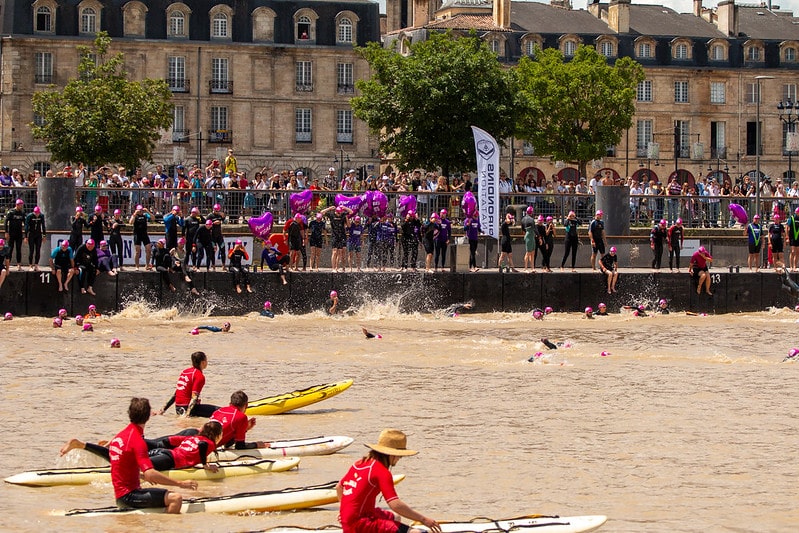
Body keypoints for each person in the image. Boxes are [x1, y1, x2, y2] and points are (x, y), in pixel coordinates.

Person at [336, 428, 441, 533]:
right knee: (417, 532)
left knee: (396, 517)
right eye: (400, 455)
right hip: (360, 523)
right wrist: (423, 519)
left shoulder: (360, 463)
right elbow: (395, 504)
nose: (400, 458)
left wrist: (343, 512)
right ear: (392, 454)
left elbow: (339, 487)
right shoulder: (382, 472)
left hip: (351, 518)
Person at [107, 398, 197, 513]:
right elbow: (150, 474)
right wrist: (181, 483)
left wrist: (140, 475)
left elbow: (121, 464)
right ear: (148, 416)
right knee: (176, 498)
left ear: (129, 414)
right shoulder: (137, 440)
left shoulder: (119, 436)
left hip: (120, 495)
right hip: (129, 496)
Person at [160, 351, 219, 418]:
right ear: (203, 362)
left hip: (178, 408)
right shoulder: (199, 376)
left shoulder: (185, 372)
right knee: (219, 411)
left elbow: (176, 394)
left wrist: (163, 410)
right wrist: (187, 414)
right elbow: (194, 397)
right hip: (189, 409)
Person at [4, 199, 26, 270]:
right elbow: (6, 222)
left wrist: (26, 234)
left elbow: (25, 223)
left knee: (18, 249)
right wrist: (6, 232)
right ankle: (8, 263)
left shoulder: (22, 213)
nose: (21, 206)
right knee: (10, 248)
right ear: (17, 205)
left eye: (22, 205)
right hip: (11, 233)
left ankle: (19, 264)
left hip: (19, 233)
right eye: (20, 205)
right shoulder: (11, 212)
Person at [129, 204, 152, 270]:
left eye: (141, 210)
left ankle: (147, 265)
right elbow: (130, 222)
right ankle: (137, 266)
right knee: (137, 251)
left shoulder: (145, 215)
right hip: (137, 234)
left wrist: (148, 211)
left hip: (144, 234)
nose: (140, 212)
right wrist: (135, 214)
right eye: (139, 210)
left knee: (148, 249)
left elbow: (153, 218)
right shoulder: (135, 216)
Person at [25, 205, 46, 271]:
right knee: (31, 250)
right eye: (36, 213)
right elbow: (26, 226)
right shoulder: (30, 216)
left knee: (38, 250)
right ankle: (30, 265)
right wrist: (26, 236)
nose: (37, 215)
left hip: (38, 235)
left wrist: (44, 235)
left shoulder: (41, 216)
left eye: (38, 213)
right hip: (31, 234)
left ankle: (36, 265)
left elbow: (43, 225)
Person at [520, 206, 536, 272]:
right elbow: (535, 229)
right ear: (531, 212)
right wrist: (539, 236)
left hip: (527, 234)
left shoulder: (523, 219)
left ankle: (532, 268)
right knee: (529, 252)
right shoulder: (531, 220)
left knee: (531, 252)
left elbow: (522, 228)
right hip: (531, 235)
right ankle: (526, 268)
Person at [788, 207, 799, 272]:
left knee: (797, 252)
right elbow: (787, 227)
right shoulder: (791, 218)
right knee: (792, 252)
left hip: (798, 237)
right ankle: (791, 266)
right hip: (792, 237)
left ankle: (795, 266)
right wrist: (787, 237)